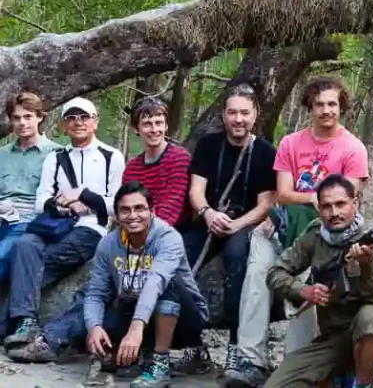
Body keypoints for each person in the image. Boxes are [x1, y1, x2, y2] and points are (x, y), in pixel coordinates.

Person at [227, 77, 369, 387]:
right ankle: (251, 359)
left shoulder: (353, 148)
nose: (326, 110)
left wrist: (311, 200)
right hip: (282, 227)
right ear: (310, 107)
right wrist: (312, 197)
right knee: (258, 269)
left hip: (323, 236)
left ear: (341, 107)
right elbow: (283, 193)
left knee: (309, 287)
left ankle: (298, 364)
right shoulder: (291, 143)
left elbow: (343, 202)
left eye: (332, 104)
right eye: (319, 104)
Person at [7, 181, 209, 388]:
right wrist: (94, 327)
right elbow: (95, 293)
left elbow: (155, 283)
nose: (132, 216)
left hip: (183, 317)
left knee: (166, 284)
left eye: (139, 208)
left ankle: (161, 362)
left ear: (152, 211)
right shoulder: (109, 244)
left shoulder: (168, 238)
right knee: (91, 303)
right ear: (117, 215)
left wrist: (136, 328)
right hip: (134, 311)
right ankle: (133, 352)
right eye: (125, 210)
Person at [0, 97, 125, 347]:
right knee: (25, 245)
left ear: (95, 122)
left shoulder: (111, 156)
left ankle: (12, 323)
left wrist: (84, 197)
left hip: (90, 229)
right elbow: (41, 200)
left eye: (84, 117)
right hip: (55, 224)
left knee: (35, 263)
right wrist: (66, 207)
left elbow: (118, 204)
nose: (78, 123)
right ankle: (25, 320)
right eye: (71, 118)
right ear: (64, 125)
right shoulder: (56, 157)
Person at [176, 82, 277, 376]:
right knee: (177, 258)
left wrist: (236, 224)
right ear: (223, 115)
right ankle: (192, 345)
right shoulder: (209, 145)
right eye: (232, 112)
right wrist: (208, 214)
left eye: (245, 113)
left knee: (237, 263)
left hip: (245, 224)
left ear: (255, 115)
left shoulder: (266, 152)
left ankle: (236, 346)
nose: (238, 119)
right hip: (208, 219)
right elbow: (196, 191)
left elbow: (265, 205)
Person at [264, 174, 373, 388]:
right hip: (332, 338)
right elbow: (275, 273)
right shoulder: (315, 235)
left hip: (372, 333)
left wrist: (367, 264)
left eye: (341, 204)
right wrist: (303, 291)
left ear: (355, 203)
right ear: (319, 209)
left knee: (370, 318)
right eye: (327, 206)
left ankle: (365, 383)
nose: (334, 213)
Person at [0, 92, 59, 282]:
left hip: (28, 221)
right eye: (16, 118)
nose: (22, 123)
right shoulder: (2, 154)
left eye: (28, 117)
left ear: (40, 117)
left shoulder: (56, 153)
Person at [122, 97, 192, 226]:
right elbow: (126, 208)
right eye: (147, 124)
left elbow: (171, 208)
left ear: (166, 126)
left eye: (159, 123)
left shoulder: (179, 158)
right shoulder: (132, 169)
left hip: (173, 232)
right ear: (136, 129)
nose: (154, 130)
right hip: (137, 230)